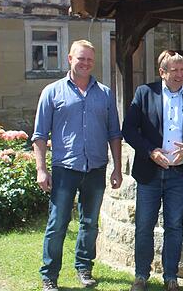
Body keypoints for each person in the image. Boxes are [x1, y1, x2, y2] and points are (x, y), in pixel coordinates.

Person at [31, 40, 123, 291]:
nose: (85, 63)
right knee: (57, 223)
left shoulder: (104, 93)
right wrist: (41, 170)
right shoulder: (52, 92)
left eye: (89, 60)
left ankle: (84, 268)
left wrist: (117, 167)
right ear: (69, 59)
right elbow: (39, 135)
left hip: (95, 168)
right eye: (80, 58)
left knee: (90, 223)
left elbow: (114, 133)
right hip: (64, 169)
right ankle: (49, 275)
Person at [123, 50, 183, 291]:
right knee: (144, 225)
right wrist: (151, 151)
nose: (180, 74)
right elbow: (129, 130)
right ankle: (141, 276)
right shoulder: (145, 93)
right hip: (149, 172)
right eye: (174, 70)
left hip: (180, 173)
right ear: (162, 72)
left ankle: (170, 277)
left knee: (174, 226)